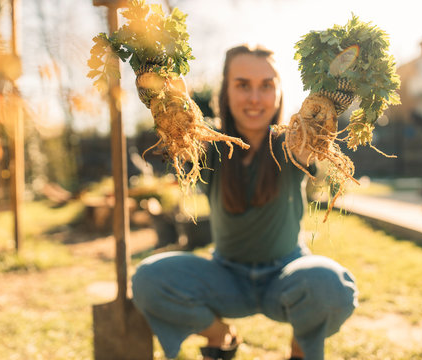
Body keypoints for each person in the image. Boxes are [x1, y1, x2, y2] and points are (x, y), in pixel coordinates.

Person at [132, 44, 358, 360]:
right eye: (242, 85)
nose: (254, 98)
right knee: (149, 278)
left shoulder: (294, 142)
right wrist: (158, 84)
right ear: (226, 91)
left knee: (330, 284)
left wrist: (337, 86)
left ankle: (300, 349)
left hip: (287, 276)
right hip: (225, 278)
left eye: (266, 86)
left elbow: (321, 126)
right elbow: (176, 126)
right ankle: (222, 336)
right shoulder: (208, 144)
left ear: (280, 93)